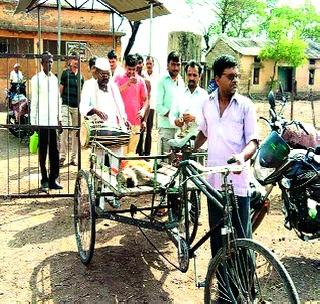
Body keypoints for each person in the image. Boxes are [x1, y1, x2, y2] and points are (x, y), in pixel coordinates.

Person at [194, 55, 258, 261]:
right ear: (217, 79)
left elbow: (253, 142)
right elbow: (204, 132)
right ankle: (223, 289)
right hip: (214, 182)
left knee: (242, 238)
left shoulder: (246, 105)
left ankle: (247, 288)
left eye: (237, 76)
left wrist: (242, 156)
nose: (235, 81)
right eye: (230, 76)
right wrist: (188, 149)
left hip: (238, 181)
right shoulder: (207, 103)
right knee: (218, 237)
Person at [30, 51, 63, 191]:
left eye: (51, 61)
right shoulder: (36, 79)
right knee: (43, 152)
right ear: (41, 63)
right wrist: (33, 122)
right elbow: (34, 102)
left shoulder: (54, 79)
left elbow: (58, 101)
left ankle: (53, 180)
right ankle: (44, 179)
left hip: (53, 121)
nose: (49, 64)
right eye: (46, 61)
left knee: (55, 152)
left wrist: (60, 119)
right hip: (42, 121)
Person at [114, 54, 149, 154]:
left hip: (135, 122)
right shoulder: (119, 77)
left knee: (131, 154)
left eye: (134, 69)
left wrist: (143, 110)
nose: (131, 72)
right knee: (121, 153)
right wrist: (127, 83)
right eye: (129, 69)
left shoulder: (141, 81)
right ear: (125, 66)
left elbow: (146, 100)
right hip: (121, 123)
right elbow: (113, 93)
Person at [169, 60, 208, 138]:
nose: (191, 78)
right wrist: (176, 121)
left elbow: (209, 121)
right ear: (186, 76)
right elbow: (172, 116)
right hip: (180, 140)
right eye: (189, 75)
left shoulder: (205, 96)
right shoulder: (179, 94)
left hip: (198, 140)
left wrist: (194, 119)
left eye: (195, 75)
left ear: (200, 76)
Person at [156, 51, 184, 154]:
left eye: (178, 65)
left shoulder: (181, 81)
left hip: (178, 130)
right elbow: (159, 106)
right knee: (163, 163)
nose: (176, 68)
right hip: (166, 128)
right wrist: (173, 117)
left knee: (175, 163)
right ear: (167, 65)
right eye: (173, 64)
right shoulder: (162, 80)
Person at [59, 53, 84, 167]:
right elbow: (61, 90)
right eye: (74, 59)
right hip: (65, 105)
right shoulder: (65, 73)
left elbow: (82, 92)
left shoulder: (81, 77)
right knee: (64, 129)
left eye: (78, 60)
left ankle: (74, 158)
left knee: (76, 133)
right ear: (70, 61)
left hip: (77, 107)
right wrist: (59, 105)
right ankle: (62, 156)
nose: (76, 62)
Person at [135, 54, 153, 156]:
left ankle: (144, 156)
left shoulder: (147, 82)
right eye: (137, 63)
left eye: (141, 63)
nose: (139, 65)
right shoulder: (131, 80)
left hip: (143, 112)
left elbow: (148, 101)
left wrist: (145, 120)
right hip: (132, 113)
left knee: (143, 134)